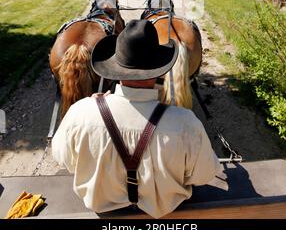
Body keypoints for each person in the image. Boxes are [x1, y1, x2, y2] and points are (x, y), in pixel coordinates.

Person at [52, 19, 221, 219]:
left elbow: (63, 160)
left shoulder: (80, 113)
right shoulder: (186, 124)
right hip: (167, 219)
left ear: (115, 67)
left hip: (105, 218)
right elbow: (204, 175)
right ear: (160, 69)